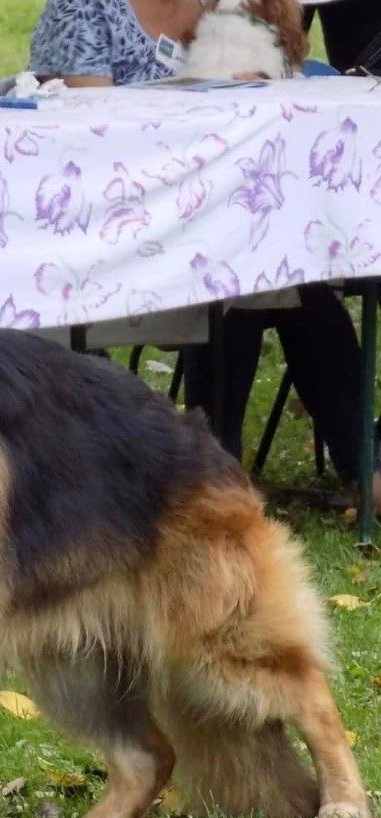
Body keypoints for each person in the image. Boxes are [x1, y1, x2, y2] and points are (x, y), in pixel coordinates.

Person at [29, 0, 379, 491]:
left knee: (274, 274)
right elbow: (93, 142)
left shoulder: (218, 4)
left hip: (211, 224)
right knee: (244, 271)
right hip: (109, 235)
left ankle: (349, 468)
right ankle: (223, 474)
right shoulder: (85, 10)